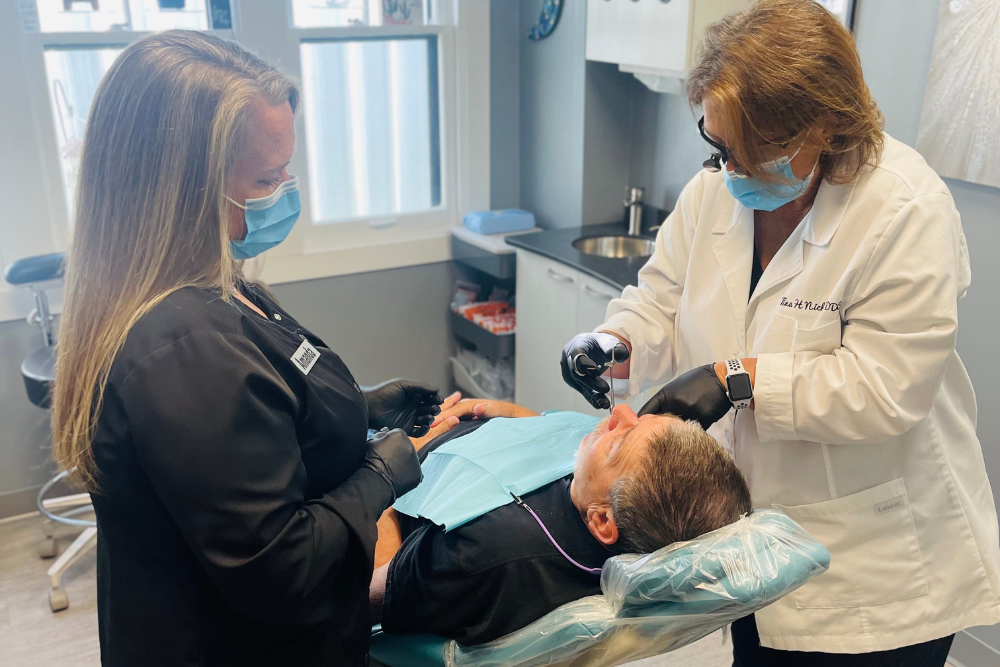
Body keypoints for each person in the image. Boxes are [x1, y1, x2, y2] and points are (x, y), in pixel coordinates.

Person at [560, 1, 1000, 665]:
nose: (726, 170)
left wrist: (736, 378)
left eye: (745, 151)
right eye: (717, 147)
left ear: (821, 127)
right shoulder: (716, 189)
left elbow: (884, 389)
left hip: (876, 569)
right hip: (752, 547)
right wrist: (614, 339)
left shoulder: (905, 208)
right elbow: (660, 295)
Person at [50, 31, 445, 667]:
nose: (286, 190)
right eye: (265, 177)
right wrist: (382, 473)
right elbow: (278, 568)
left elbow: (254, 411)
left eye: (287, 169)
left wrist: (362, 408)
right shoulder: (181, 346)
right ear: (179, 188)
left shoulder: (218, 283)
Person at [368, 401, 753, 645]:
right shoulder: (614, 514)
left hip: (383, 480)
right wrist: (519, 421)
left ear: (603, 521)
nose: (619, 414)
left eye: (618, 440)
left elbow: (359, 594)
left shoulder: (484, 552)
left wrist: (384, 478)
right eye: (644, 417)